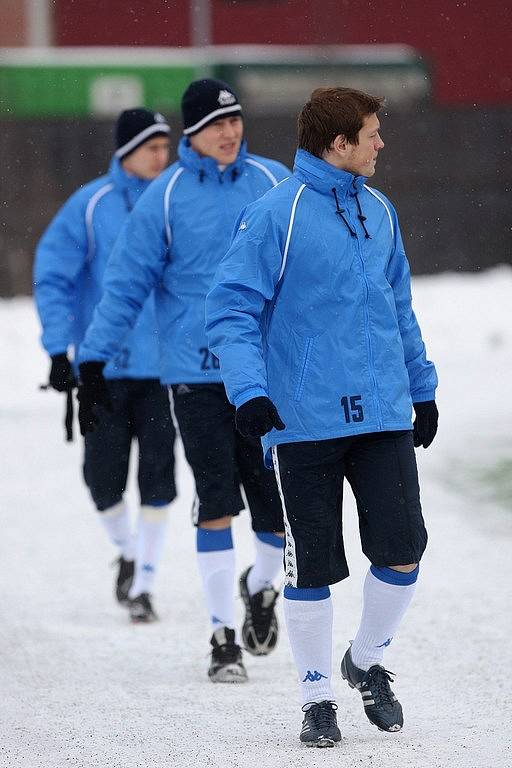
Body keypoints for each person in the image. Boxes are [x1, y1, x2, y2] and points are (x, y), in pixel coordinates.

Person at [206, 86, 438, 745]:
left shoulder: (381, 210)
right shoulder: (274, 215)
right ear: (338, 144)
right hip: (304, 419)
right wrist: (249, 391)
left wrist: (421, 388)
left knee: (403, 553)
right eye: (371, 133)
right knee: (310, 568)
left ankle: (365, 662)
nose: (381, 143)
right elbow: (230, 312)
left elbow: (400, 308)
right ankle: (316, 699)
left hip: (384, 413)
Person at [77, 79, 290, 681]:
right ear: (192, 133)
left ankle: (262, 587)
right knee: (216, 502)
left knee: (276, 510)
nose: (229, 133)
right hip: (194, 377)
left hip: (265, 375)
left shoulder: (273, 183)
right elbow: (124, 286)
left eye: (235, 121)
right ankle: (223, 636)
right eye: (215, 125)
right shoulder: (165, 198)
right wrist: (93, 360)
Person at [33, 108, 177, 623]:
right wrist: (57, 349)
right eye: (152, 147)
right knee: (103, 480)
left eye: (166, 146)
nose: (163, 155)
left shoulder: (177, 198)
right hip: (104, 371)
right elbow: (54, 278)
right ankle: (129, 550)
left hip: (167, 371)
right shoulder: (89, 205)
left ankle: (144, 584)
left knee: (160, 479)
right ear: (126, 151)